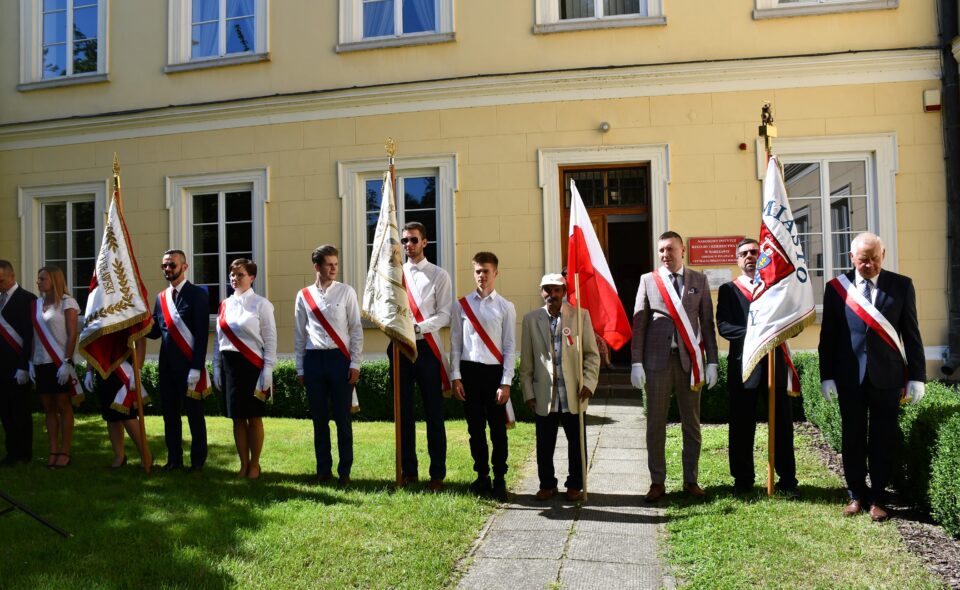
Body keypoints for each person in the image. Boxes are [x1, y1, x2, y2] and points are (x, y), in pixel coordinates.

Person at [819, 232, 926, 522]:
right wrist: (826, 375)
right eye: (863, 260)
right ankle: (856, 494)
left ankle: (878, 496)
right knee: (852, 437)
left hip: (888, 376)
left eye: (875, 259)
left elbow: (911, 334)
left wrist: (917, 376)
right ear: (852, 258)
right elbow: (828, 336)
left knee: (883, 438)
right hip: (849, 377)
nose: (869, 265)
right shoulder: (836, 288)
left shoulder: (901, 285)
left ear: (883, 255)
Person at [631, 231, 719, 502]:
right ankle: (657, 482)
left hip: (689, 362)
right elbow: (640, 323)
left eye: (670, 249)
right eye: (661, 251)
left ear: (683, 251)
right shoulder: (648, 280)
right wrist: (636, 361)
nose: (665, 255)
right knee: (655, 425)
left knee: (691, 424)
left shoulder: (699, 280)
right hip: (657, 362)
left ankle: (690, 479)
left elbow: (706, 324)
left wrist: (712, 361)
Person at [716, 238, 799, 497]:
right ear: (737, 259)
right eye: (744, 253)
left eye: (755, 252)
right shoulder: (729, 290)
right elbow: (724, 327)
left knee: (782, 425)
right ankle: (742, 479)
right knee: (741, 425)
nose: (750, 256)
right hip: (744, 366)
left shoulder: (775, 288)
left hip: (774, 363)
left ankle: (787, 480)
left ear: (763, 257)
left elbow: (790, 322)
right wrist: (758, 334)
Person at [520, 273, 600, 502]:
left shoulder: (580, 316)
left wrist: (589, 383)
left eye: (557, 290)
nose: (552, 294)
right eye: (547, 289)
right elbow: (526, 362)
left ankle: (575, 484)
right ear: (541, 291)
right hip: (545, 394)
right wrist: (528, 392)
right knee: (544, 443)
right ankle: (547, 484)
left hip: (573, 392)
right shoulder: (530, 319)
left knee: (577, 442)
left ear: (564, 292)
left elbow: (592, 356)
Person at [391, 221, 453, 491]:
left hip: (427, 347)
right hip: (400, 348)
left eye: (413, 240)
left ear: (425, 242)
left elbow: (445, 314)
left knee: (433, 413)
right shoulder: (394, 275)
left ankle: (437, 473)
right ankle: (408, 470)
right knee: (403, 413)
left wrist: (418, 327)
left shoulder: (439, 275)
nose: (408, 245)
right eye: (405, 241)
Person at [294, 245, 362, 486]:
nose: (334, 268)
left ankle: (345, 471)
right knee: (319, 419)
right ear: (317, 267)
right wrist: (300, 368)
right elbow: (300, 334)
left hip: (339, 360)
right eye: (329, 264)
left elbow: (356, 328)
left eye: (336, 264)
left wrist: (355, 362)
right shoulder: (303, 295)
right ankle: (323, 469)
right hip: (314, 360)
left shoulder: (346, 292)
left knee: (343, 419)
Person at [451, 252, 517, 501]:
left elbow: (510, 347)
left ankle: (499, 479)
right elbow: (456, 343)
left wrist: (506, 382)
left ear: (496, 273)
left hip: (494, 375)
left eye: (486, 271)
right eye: (478, 271)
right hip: (469, 373)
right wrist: (456, 376)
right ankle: (482, 477)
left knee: (498, 431)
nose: (482, 275)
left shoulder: (506, 307)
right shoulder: (462, 305)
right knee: (475, 429)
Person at [147, 249, 210, 472]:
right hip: (167, 368)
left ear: (184, 267)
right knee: (170, 416)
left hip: (189, 367)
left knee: (195, 416)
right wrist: (136, 323)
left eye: (172, 265)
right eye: (164, 265)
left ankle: (197, 461)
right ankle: (174, 459)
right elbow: (156, 332)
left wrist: (196, 367)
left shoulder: (197, 295)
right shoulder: (161, 298)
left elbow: (202, 336)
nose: (167, 269)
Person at [212, 259, 276, 480]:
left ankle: (255, 464)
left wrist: (268, 369)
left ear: (252, 278)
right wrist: (217, 367)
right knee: (237, 418)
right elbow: (218, 340)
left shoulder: (261, 304)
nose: (235, 278)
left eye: (240, 274)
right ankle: (243, 464)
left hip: (253, 367)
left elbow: (270, 339)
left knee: (254, 417)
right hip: (231, 367)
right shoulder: (224, 304)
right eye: (232, 274)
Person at [31, 266, 81, 469]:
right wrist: (30, 361)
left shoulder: (67, 303)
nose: (38, 282)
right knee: (48, 408)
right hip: (40, 362)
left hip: (60, 362)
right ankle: (53, 449)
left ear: (54, 280)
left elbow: (72, 334)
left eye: (42, 278)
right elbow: (34, 334)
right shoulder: (36, 304)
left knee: (63, 406)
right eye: (38, 278)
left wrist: (67, 362)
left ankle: (65, 451)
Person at [82, 348, 149, 469]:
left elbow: (140, 341)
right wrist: (89, 371)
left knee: (127, 414)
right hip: (103, 369)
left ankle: (146, 455)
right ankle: (119, 456)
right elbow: (92, 343)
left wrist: (137, 370)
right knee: (110, 416)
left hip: (123, 368)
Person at [0, 260, 36, 467]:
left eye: (1, 280)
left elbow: (29, 336)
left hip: (18, 365)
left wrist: (24, 366)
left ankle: (24, 453)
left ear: (12, 276)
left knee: (20, 411)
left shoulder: (27, 299)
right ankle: (11, 451)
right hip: (1, 366)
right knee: (5, 411)